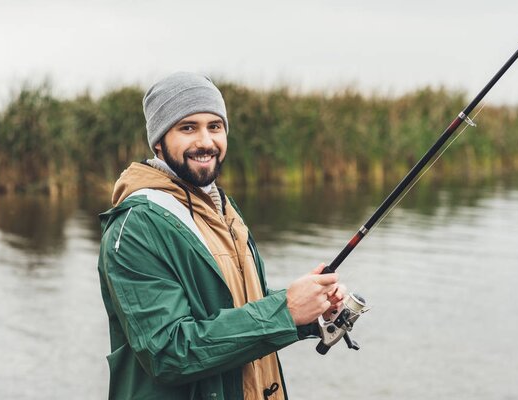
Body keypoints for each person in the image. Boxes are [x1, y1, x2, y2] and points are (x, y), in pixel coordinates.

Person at [98, 72, 345, 400]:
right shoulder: (135, 227)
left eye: (215, 126)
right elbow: (169, 352)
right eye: (188, 128)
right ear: (158, 141)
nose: (205, 141)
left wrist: (310, 312)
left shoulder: (223, 208)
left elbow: (234, 305)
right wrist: (284, 310)